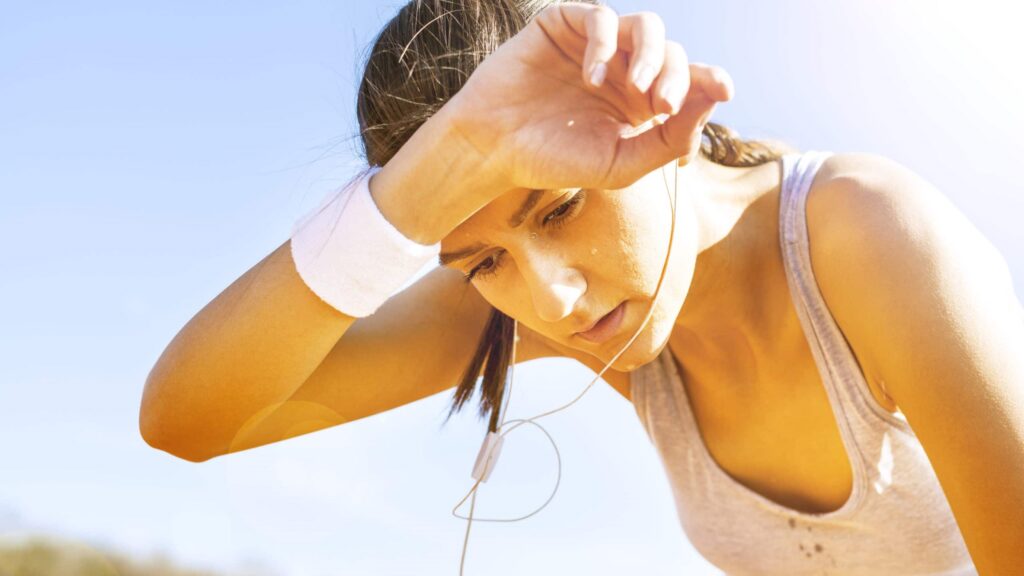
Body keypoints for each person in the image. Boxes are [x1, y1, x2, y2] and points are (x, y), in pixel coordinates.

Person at [138, 1, 1024, 573]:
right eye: (482, 260)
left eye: (559, 209)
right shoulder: (533, 301)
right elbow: (188, 422)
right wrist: (406, 201)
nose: (553, 302)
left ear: (641, 112)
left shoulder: (867, 235)